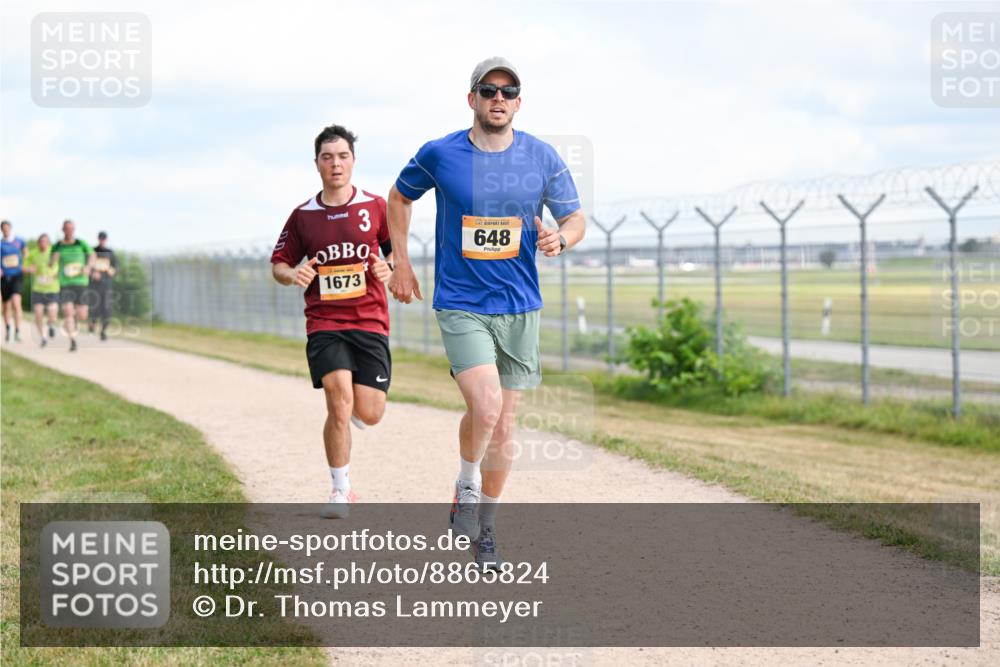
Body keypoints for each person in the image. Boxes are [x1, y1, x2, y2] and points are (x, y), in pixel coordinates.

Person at [387, 57, 586, 566]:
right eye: (488, 89)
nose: (498, 98)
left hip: (519, 306)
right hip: (461, 302)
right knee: (487, 406)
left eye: (508, 91)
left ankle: (487, 527)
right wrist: (401, 262)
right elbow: (399, 197)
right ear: (471, 98)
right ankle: (466, 485)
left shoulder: (541, 157)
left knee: (503, 426)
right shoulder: (440, 153)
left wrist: (561, 238)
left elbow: (575, 218)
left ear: (518, 103)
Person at [270, 124, 394, 519]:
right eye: (327, 157)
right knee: (338, 400)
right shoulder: (303, 215)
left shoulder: (375, 206)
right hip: (324, 321)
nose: (335, 164)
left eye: (342, 156)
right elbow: (279, 264)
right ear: (317, 164)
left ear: (353, 161)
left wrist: (389, 267)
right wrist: (294, 274)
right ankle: (341, 489)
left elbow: (395, 253)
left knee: (370, 412)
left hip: (370, 320)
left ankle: (357, 409)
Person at [51, 220, 95, 352]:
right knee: (68, 312)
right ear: (63, 230)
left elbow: (92, 255)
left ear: (74, 230)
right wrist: (54, 258)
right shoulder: (57, 246)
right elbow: (50, 263)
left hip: (81, 282)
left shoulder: (81, 243)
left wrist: (88, 266)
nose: (69, 231)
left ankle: (76, 318)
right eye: (66, 228)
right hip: (65, 283)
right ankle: (72, 341)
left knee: (82, 315)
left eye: (71, 228)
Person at [24, 233, 60, 347]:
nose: (43, 243)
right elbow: (25, 266)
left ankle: (51, 324)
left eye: (45, 241)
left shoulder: (54, 252)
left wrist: (57, 273)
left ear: (48, 243)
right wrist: (29, 269)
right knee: (38, 314)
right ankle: (43, 337)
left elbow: (62, 265)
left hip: (52, 288)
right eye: (41, 241)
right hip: (38, 289)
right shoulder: (33, 253)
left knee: (52, 313)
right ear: (38, 243)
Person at [88, 231, 118, 341]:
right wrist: (92, 273)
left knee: (106, 309)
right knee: (94, 308)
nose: (102, 240)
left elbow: (115, 267)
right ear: (98, 239)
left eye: (104, 239)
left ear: (106, 240)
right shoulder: (92, 251)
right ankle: (92, 324)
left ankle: (103, 332)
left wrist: (113, 271)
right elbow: (86, 266)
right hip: (94, 286)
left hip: (106, 285)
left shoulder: (110, 253)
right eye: (101, 238)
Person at [1, 220, 28, 342]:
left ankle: (17, 331)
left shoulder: (19, 241)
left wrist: (24, 262)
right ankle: (8, 329)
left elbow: (26, 252)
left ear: (10, 228)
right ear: (1, 230)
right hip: (5, 277)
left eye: (7, 228)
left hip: (17, 275)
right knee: (6, 306)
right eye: (3, 229)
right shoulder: (1, 244)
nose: (6, 230)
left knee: (16, 303)